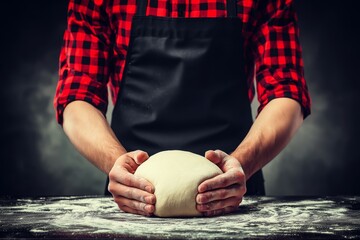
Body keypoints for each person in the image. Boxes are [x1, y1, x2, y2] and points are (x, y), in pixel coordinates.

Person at [54, 0, 311, 217]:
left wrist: (240, 164)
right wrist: (118, 165)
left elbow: (286, 93)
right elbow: (77, 97)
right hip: (132, 197)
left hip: (234, 192)